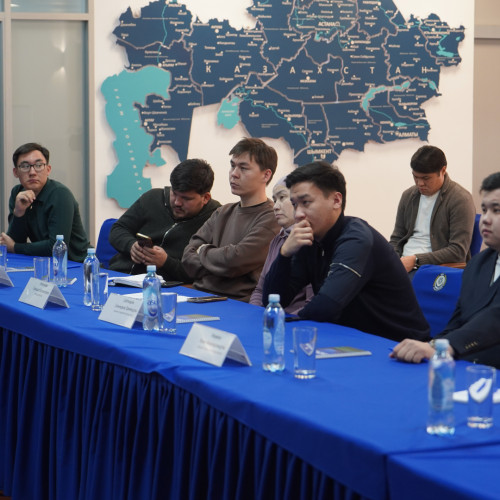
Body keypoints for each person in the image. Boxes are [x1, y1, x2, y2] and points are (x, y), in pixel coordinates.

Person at [262, 160, 430, 342]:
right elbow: (273, 300)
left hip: (398, 345)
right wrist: (284, 254)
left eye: (306, 202)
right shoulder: (310, 237)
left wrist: (293, 321)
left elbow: (326, 306)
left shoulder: (356, 239)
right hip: (352, 339)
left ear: (336, 200)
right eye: (295, 204)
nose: (298, 214)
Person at [390, 172, 500, 367]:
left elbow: (494, 319)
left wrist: (443, 347)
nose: (485, 219)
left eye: (496, 210)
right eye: (484, 210)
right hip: (466, 365)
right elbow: (457, 321)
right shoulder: (478, 264)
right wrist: (431, 346)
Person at [182, 137, 281, 301]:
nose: (234, 174)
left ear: (266, 175)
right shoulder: (222, 211)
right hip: (199, 294)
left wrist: (203, 251)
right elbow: (187, 258)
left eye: (243, 168)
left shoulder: (272, 217)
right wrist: (221, 265)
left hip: (235, 302)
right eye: (232, 165)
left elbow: (235, 261)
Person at [108, 158, 221, 283]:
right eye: (174, 193)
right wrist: (130, 245)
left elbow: (205, 271)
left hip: (166, 286)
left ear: (205, 198)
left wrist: (166, 263)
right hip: (120, 276)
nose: (177, 202)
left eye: (186, 198)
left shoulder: (216, 218)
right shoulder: (152, 198)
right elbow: (118, 229)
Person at [390, 145, 476, 273]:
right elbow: (396, 238)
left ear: (443, 171)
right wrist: (392, 260)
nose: (420, 183)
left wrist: (416, 260)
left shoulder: (460, 199)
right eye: (415, 177)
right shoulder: (408, 195)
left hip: (433, 268)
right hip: (404, 263)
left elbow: (458, 251)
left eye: (426, 178)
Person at [0, 142, 89, 262]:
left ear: (48, 169)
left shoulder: (60, 194)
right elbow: (13, 242)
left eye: (38, 165)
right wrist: (19, 212)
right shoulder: (18, 193)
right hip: (45, 262)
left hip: (76, 264)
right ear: (16, 172)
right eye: (25, 166)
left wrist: (16, 247)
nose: (32, 172)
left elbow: (56, 247)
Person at [250, 177, 313, 313]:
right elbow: (260, 290)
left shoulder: (310, 241)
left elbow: (311, 303)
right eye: (274, 200)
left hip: (292, 320)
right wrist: (254, 313)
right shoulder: (278, 239)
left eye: (282, 197)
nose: (275, 206)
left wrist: (277, 319)